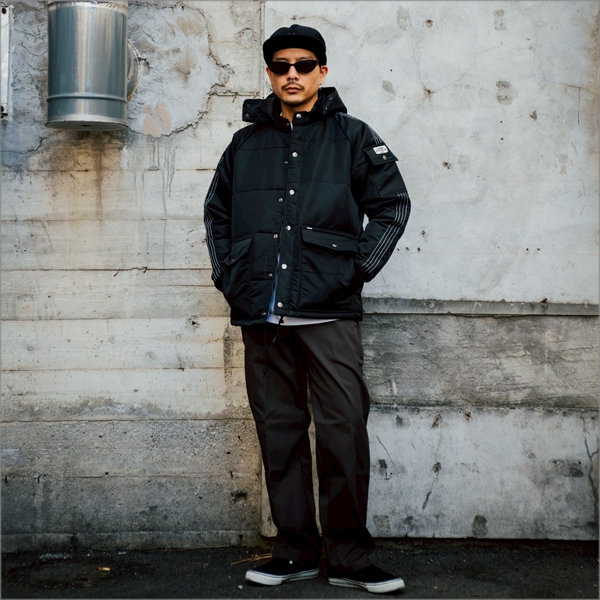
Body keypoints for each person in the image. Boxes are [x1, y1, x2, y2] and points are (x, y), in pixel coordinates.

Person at [204, 24, 411, 594]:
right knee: (280, 433)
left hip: (329, 311)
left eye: (303, 64)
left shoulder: (352, 137)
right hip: (261, 314)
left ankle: (349, 557)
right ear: (270, 73)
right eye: (280, 65)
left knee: (343, 432)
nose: (291, 74)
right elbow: (216, 212)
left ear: (322, 71)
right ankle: (294, 551)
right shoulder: (245, 145)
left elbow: (393, 206)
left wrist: (355, 270)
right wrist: (230, 277)